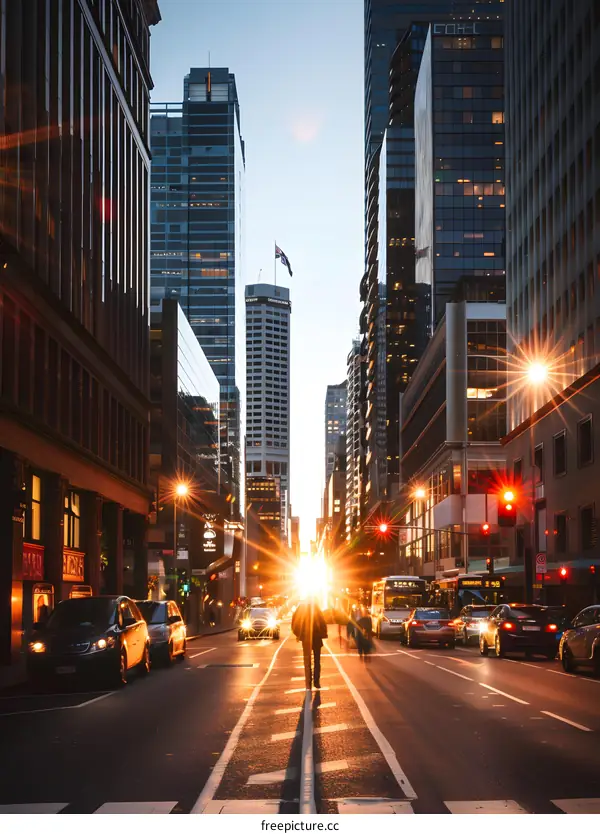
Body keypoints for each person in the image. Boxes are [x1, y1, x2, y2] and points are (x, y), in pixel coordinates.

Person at [292, 599, 328, 689]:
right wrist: (323, 634)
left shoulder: (301, 608)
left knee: (307, 662)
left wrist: (298, 634)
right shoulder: (316, 608)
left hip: (306, 638)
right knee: (317, 661)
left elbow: (294, 623)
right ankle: (316, 682)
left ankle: (308, 683)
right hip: (316, 638)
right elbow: (323, 622)